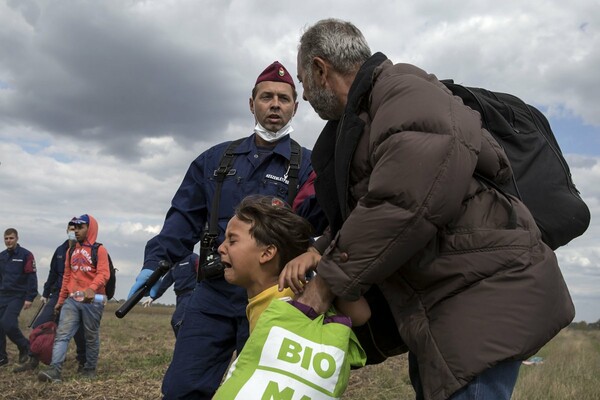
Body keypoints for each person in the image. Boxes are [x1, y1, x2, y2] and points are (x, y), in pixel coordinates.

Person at [293, 18, 575, 400]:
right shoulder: (371, 112)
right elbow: (373, 205)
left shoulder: (404, 91)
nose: (305, 97)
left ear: (320, 69)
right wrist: (321, 246)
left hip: (478, 302)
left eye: (303, 82)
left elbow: (404, 200)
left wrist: (327, 281)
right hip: (447, 306)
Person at [128, 61, 322, 399]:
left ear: (295, 107)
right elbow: (183, 217)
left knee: (261, 391)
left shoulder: (309, 166)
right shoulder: (216, 160)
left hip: (275, 297)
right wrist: (157, 262)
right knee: (182, 387)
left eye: (283, 98)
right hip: (214, 292)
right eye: (266, 97)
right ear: (252, 104)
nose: (275, 104)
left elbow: (322, 223)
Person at [38, 214, 110, 382]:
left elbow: (104, 274)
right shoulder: (71, 251)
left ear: (90, 228)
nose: (76, 231)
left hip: (93, 301)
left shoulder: (99, 250)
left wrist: (91, 289)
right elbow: (67, 278)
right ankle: (54, 371)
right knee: (62, 335)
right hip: (72, 300)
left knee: (90, 336)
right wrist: (61, 300)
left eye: (81, 227)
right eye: (75, 227)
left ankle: (90, 369)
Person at [14, 221, 87, 373]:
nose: (73, 231)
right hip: (57, 294)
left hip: (77, 295)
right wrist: (46, 293)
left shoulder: (86, 250)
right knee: (39, 325)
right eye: (70, 229)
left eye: (76, 229)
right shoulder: (60, 250)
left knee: (78, 331)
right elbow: (53, 273)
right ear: (66, 230)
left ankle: (83, 362)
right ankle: (33, 359)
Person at [0, 228, 37, 368]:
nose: (8, 241)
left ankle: (25, 346)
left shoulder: (26, 255)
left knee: (8, 323)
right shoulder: (1, 256)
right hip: (2, 295)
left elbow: (31, 277)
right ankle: (2, 358)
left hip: (18, 295)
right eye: (6, 238)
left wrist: (30, 297)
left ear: (17, 239)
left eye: (11, 238)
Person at [141, 253, 199, 337]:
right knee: (185, 323)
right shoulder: (174, 264)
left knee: (177, 321)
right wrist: (153, 297)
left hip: (191, 294)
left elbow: (202, 273)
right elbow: (166, 282)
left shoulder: (192, 258)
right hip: (180, 297)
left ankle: (184, 346)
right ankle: (186, 345)